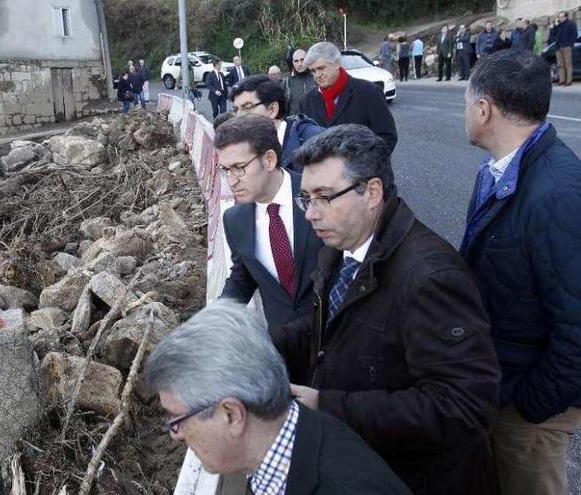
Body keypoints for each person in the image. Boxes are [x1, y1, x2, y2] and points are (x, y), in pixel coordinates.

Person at [276, 124, 501, 494]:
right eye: (306, 199)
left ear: (372, 192)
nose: (310, 214)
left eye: (324, 197)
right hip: (365, 465)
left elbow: (463, 406)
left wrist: (328, 405)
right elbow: (330, 326)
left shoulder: (431, 278)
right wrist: (258, 346)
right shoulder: (340, 245)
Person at [459, 49, 581, 495]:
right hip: (504, 383)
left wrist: (530, 406)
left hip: (531, 406)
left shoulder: (558, 193)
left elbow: (577, 328)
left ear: (484, 109)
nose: (466, 112)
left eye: (467, 102)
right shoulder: (499, 170)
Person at [145, 300, 412, 495]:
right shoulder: (295, 445)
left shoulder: (345, 485)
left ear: (232, 414)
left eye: (176, 418)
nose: (175, 434)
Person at [216, 114, 322, 334]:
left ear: (270, 160)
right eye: (225, 170)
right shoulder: (234, 220)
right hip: (284, 347)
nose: (231, 180)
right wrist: (214, 319)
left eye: (239, 167)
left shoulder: (319, 195)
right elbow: (242, 277)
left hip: (338, 340)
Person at [298, 42, 398, 153]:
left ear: (337, 64)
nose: (317, 74)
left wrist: (363, 165)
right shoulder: (306, 102)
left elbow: (387, 137)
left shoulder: (369, 92)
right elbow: (305, 142)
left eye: (321, 68)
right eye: (313, 71)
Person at [229, 75, 324, 172]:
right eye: (236, 110)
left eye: (247, 107)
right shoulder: (243, 148)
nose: (239, 116)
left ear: (272, 109)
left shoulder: (315, 142)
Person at [551, 11, 577, 86]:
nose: (560, 18)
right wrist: (554, 26)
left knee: (568, 64)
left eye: (562, 16)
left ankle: (569, 81)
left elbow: (574, 34)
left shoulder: (571, 24)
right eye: (559, 17)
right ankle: (562, 80)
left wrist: (570, 44)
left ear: (566, 17)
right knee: (560, 64)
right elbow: (552, 34)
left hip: (567, 46)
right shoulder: (558, 25)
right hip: (558, 47)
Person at [287, 49, 315, 116]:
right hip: (297, 124)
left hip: (317, 123)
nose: (299, 64)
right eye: (296, 61)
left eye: (302, 60)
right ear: (293, 63)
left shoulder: (317, 78)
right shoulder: (287, 83)